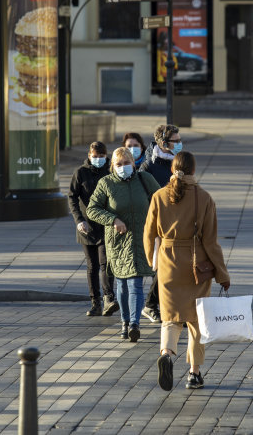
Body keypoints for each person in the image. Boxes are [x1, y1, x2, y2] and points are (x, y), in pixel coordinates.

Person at [144, 151, 230, 391]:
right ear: (193, 171)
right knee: (195, 321)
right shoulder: (204, 198)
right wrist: (222, 274)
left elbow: (149, 232)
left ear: (173, 170)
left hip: (167, 264)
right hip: (196, 266)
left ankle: (166, 354)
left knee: (170, 318)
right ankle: (194, 373)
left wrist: (152, 259)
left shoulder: (159, 196)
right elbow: (211, 242)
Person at [87, 147, 160, 342]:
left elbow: (161, 201)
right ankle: (125, 322)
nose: (123, 167)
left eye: (126, 163)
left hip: (141, 240)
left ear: (133, 163)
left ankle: (135, 324)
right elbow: (92, 209)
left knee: (135, 282)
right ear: (112, 166)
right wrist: (113, 220)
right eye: (118, 164)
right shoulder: (106, 183)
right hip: (118, 242)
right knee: (122, 284)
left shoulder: (145, 180)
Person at [138, 124, 183, 323]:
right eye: (176, 141)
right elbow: (143, 196)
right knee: (163, 266)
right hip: (158, 224)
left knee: (173, 266)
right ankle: (149, 304)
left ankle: (161, 303)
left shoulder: (178, 162)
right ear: (164, 143)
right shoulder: (150, 166)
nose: (180, 144)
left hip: (178, 220)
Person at [68, 141, 119, 317]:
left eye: (101, 157)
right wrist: (79, 220)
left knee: (106, 263)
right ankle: (95, 302)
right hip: (86, 226)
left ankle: (108, 299)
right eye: (94, 156)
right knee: (92, 266)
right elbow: (72, 197)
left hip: (106, 225)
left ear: (106, 156)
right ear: (89, 156)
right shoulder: (80, 173)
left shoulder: (111, 171)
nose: (98, 159)